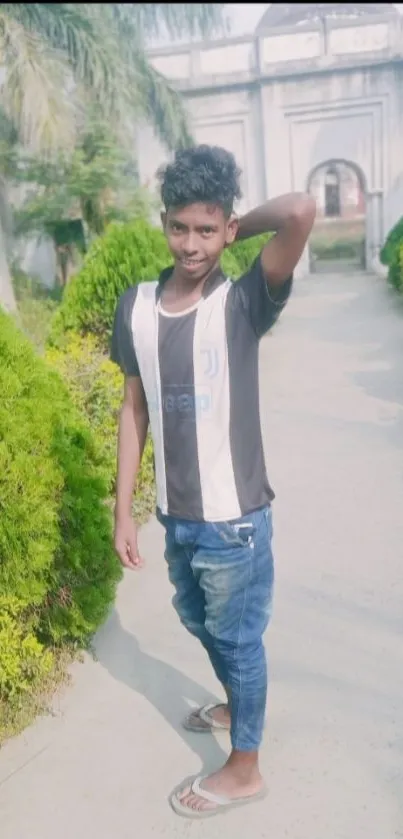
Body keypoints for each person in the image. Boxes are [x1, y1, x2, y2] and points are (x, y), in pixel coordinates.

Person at [110, 144, 316, 819]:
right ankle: (234, 698)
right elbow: (133, 409)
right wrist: (124, 512)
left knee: (238, 639)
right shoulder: (136, 305)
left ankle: (244, 765)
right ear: (162, 222)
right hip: (177, 514)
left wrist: (236, 225)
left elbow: (300, 209)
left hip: (234, 520)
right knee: (198, 620)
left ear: (227, 229)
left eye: (207, 229)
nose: (190, 244)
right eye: (178, 227)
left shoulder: (244, 300)